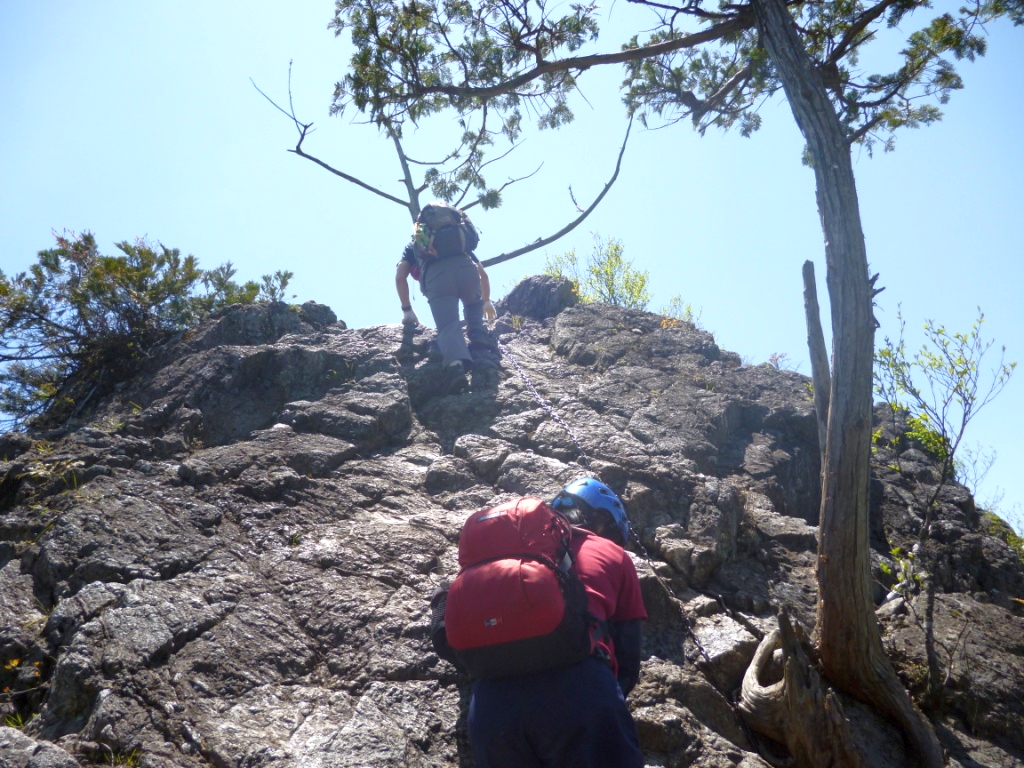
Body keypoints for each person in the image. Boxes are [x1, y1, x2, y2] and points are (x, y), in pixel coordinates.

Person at [466, 478, 647, 768]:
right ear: (601, 522)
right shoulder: (613, 553)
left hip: (490, 707)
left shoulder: (509, 555)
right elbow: (628, 658)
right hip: (580, 691)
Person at [395, 226, 498, 378]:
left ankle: (456, 365)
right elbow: (482, 273)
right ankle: (479, 343)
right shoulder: (456, 242)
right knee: (472, 306)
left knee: (448, 324)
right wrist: (487, 300)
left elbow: (400, 276)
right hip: (467, 271)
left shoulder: (413, 246)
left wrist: (407, 310)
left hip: (437, 279)